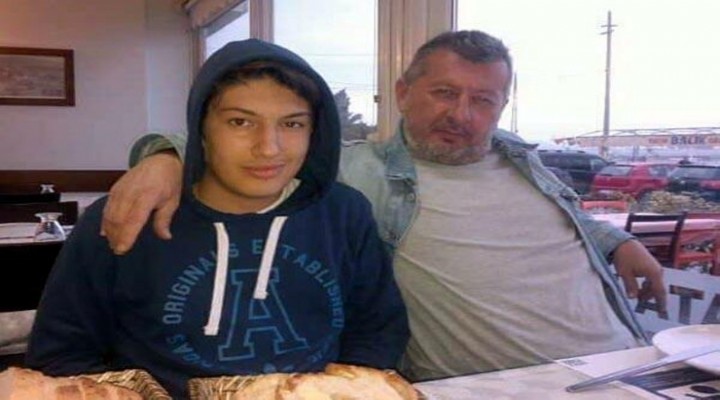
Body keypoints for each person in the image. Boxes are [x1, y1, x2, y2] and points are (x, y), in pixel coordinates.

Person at [100, 30, 667, 382]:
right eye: (444, 93)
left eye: (483, 100)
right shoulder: (355, 171)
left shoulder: (522, 160)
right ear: (402, 93)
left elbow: (569, 219)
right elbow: (250, 147)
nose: (462, 114)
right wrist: (164, 157)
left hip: (632, 361)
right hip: (500, 383)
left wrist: (617, 241)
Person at [26, 39, 409, 399]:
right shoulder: (127, 216)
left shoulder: (344, 213)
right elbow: (61, 355)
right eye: (240, 122)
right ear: (201, 131)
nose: (268, 148)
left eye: (292, 124)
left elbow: (376, 331)